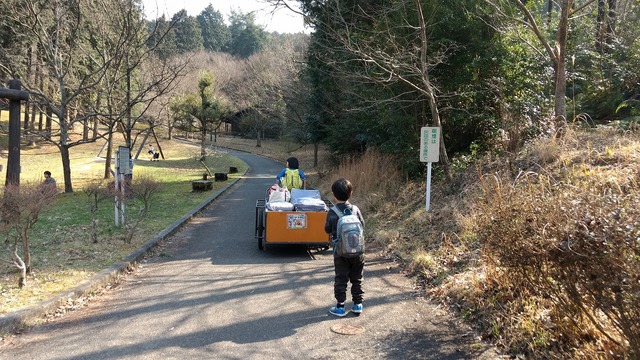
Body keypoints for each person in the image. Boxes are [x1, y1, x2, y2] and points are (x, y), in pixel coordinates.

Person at [324, 178, 365, 317]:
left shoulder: (332, 212)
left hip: (341, 253)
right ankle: (358, 305)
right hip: (358, 251)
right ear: (351, 193)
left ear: (334, 195)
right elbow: (362, 225)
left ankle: (340, 307)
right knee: (357, 278)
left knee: (341, 278)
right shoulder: (355, 209)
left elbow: (327, 229)